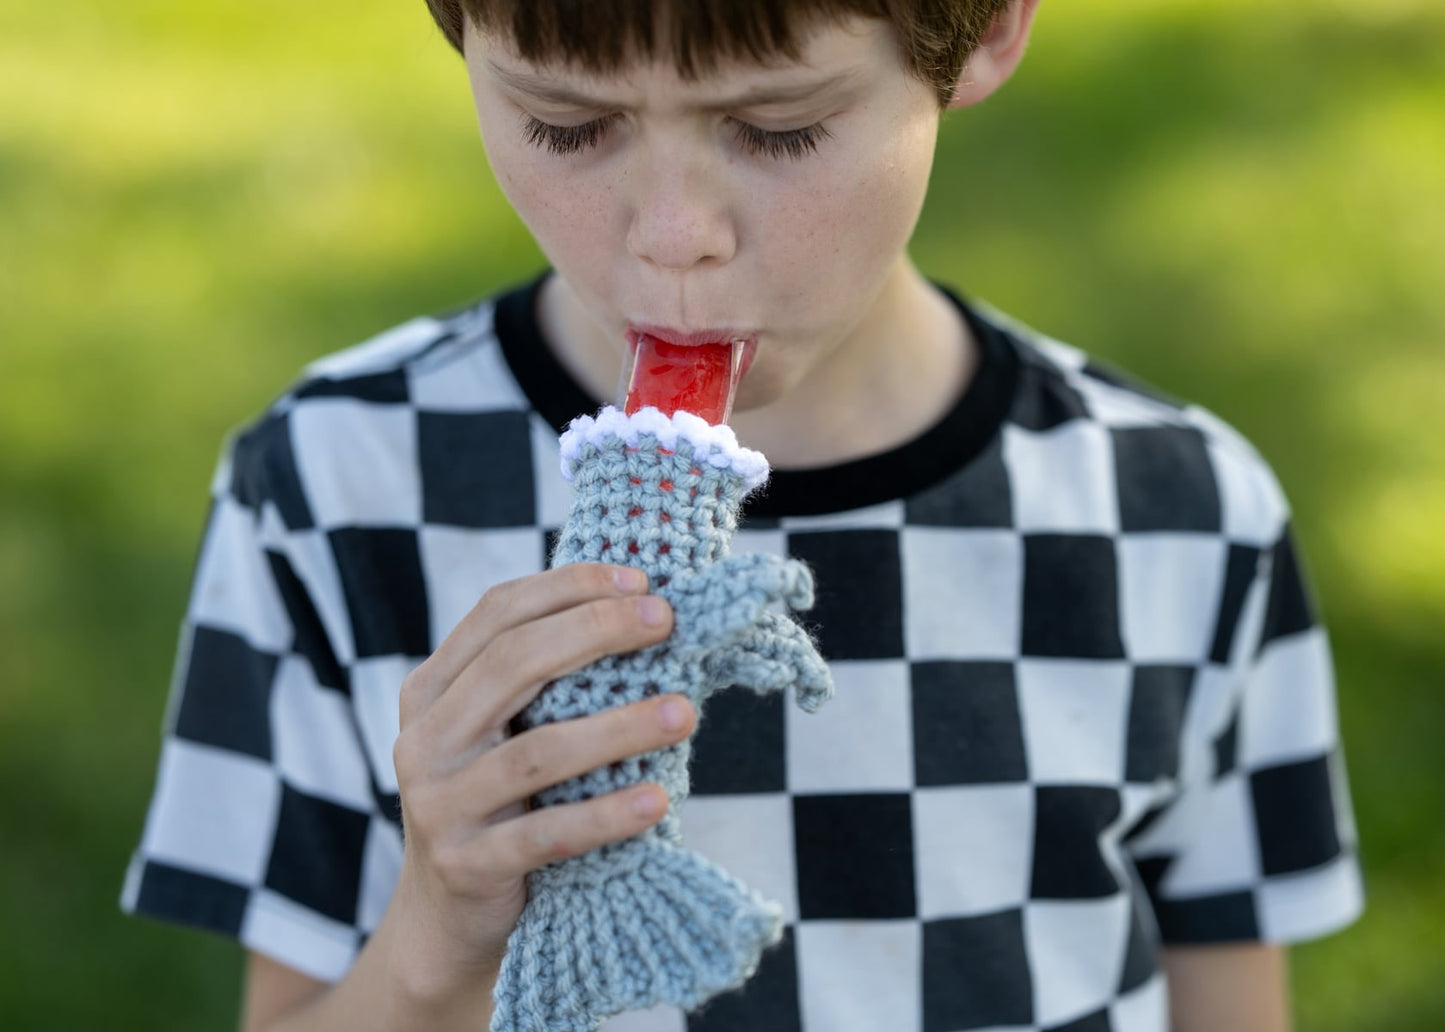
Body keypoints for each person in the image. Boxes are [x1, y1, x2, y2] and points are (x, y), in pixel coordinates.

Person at [120, 2, 1365, 1030]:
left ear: (983, 29)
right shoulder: (335, 487)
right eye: (566, 124)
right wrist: (434, 934)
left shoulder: (1179, 513)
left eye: (778, 129)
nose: (674, 242)